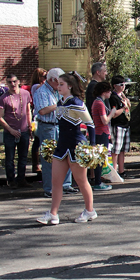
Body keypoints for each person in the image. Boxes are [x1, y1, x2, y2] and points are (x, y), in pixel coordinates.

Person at [36, 72, 97, 225]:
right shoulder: (60, 102)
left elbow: (90, 124)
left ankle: (90, 210)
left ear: (70, 86)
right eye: (58, 84)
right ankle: (53, 214)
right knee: (56, 182)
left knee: (81, 181)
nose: (58, 86)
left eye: (61, 84)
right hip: (61, 145)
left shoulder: (77, 103)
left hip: (76, 145)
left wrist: (92, 147)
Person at [34, 68, 76, 197]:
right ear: (52, 80)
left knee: (66, 154)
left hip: (61, 126)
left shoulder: (58, 91)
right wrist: (60, 104)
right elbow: (42, 111)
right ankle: (50, 188)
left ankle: (66, 185)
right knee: (50, 157)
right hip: (48, 127)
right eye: (59, 82)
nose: (60, 85)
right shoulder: (41, 92)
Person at [0, 74, 33, 189]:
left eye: (14, 81)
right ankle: (11, 180)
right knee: (10, 157)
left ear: (18, 81)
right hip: (10, 132)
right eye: (10, 82)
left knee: (23, 157)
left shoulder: (25, 94)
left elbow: (28, 110)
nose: (13, 84)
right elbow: (0, 117)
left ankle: (21, 179)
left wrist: (30, 125)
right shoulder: (3, 98)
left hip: (24, 130)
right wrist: (10, 130)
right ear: (7, 84)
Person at [90, 81, 121, 191]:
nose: (110, 94)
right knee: (100, 159)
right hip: (101, 132)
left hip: (100, 132)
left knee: (100, 159)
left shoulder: (97, 102)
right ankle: (98, 182)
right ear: (104, 92)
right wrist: (112, 113)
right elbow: (104, 120)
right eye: (108, 91)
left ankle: (98, 180)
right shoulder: (99, 103)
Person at [26, 68, 48, 174]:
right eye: (44, 76)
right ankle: (35, 164)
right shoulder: (36, 86)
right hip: (38, 116)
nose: (45, 79)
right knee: (38, 141)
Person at [109, 75, 132, 176]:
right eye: (121, 85)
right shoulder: (113, 97)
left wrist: (128, 105)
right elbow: (113, 114)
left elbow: (128, 109)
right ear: (114, 86)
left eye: (124, 85)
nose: (123, 87)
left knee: (123, 149)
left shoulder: (122, 96)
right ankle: (114, 171)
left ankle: (121, 170)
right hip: (117, 125)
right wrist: (123, 108)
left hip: (125, 124)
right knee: (116, 149)